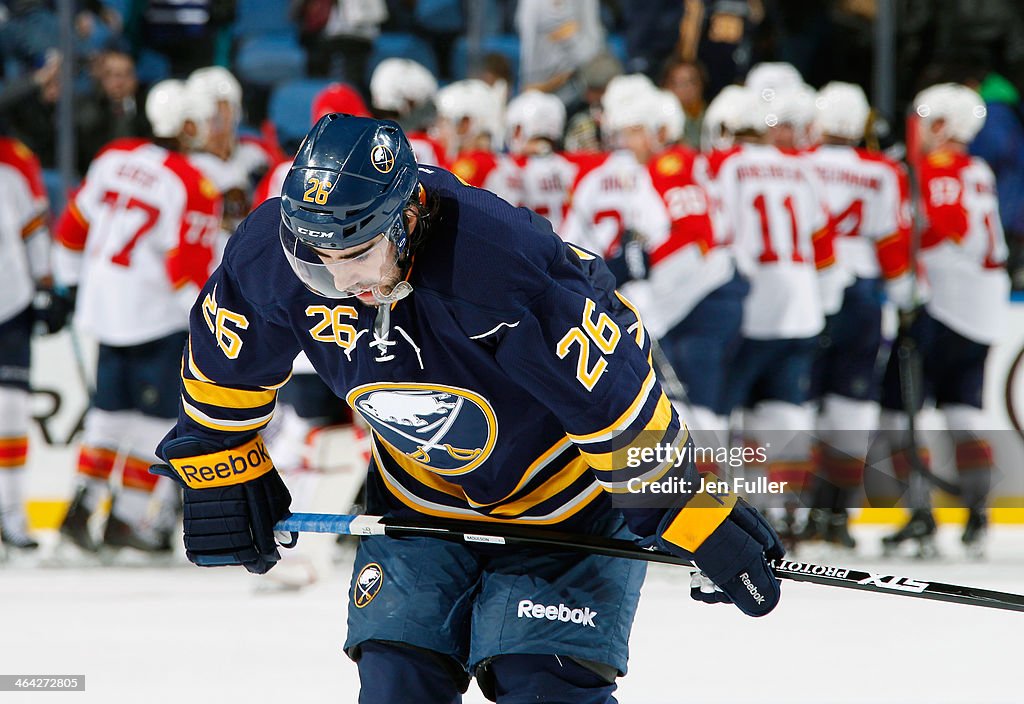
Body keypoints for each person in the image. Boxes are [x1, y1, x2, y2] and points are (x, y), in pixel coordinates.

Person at [151, 114, 784, 703]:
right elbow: (223, 363)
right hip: (420, 499)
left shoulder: (501, 268)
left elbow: (614, 401)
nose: (345, 284)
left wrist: (690, 510)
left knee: (541, 681)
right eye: (321, 264)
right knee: (399, 678)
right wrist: (220, 463)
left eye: (361, 256)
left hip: (566, 507)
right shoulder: (272, 253)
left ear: (408, 217)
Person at [54, 79, 223, 554]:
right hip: (156, 316)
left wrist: (67, 283)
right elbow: (185, 271)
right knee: (153, 420)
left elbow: (72, 227)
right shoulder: (192, 181)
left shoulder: (114, 156)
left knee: (108, 412)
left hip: (105, 307)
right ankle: (125, 518)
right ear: (187, 124)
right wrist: (211, 318)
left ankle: (83, 503)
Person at [879, 83, 1009, 558]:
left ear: (939, 125)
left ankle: (920, 513)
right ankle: (976, 512)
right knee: (962, 412)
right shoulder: (978, 169)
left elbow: (942, 228)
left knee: (900, 413)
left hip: (942, 307)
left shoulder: (938, 169)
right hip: (982, 309)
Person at [801, 82, 912, 548]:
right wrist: (904, 298)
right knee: (851, 404)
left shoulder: (801, 163)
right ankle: (838, 514)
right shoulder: (884, 170)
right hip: (865, 290)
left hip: (814, 282)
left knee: (802, 403)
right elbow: (892, 239)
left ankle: (801, 512)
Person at [0, 135, 56, 551]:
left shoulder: (8, 176)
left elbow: (33, 232)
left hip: (11, 304)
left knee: (12, 412)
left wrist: (44, 288)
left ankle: (12, 515)